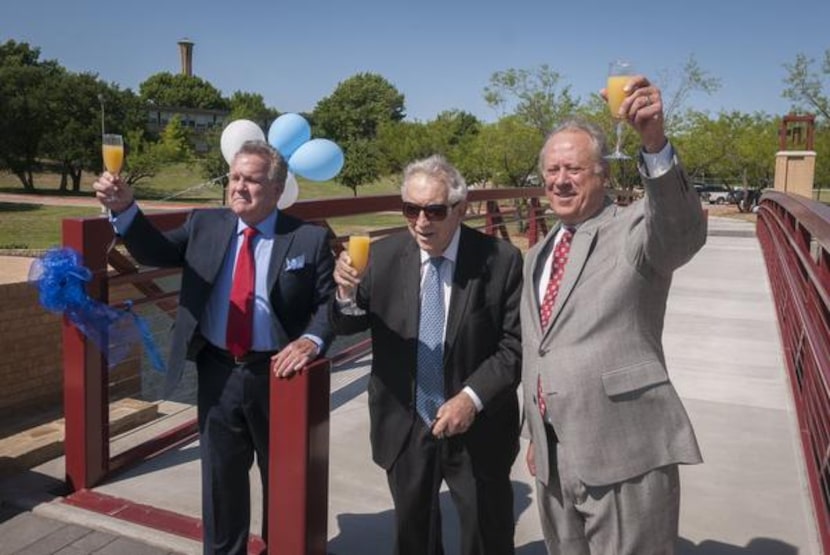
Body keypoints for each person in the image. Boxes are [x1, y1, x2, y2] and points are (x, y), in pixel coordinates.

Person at [92, 140, 335, 554]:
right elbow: (157, 251)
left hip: (278, 375)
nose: (239, 187)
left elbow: (329, 304)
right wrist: (125, 209)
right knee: (221, 481)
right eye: (235, 178)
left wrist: (311, 340)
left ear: (276, 190)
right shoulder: (206, 225)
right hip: (218, 370)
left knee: (283, 478)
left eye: (252, 180)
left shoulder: (308, 239)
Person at [521, 76, 706, 555]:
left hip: (626, 452)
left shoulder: (634, 230)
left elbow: (681, 232)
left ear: (603, 174)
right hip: (555, 458)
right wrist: (537, 432)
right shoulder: (538, 252)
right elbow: (538, 349)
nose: (560, 180)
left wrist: (654, 142)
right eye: (552, 170)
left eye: (574, 169)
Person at [332, 154, 523, 555]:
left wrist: (470, 399)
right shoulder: (382, 257)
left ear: (460, 209)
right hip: (404, 423)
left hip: (478, 424)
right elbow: (347, 325)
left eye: (435, 210)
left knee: (486, 538)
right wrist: (346, 293)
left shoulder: (501, 261)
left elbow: (514, 346)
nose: (422, 222)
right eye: (411, 209)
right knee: (414, 538)